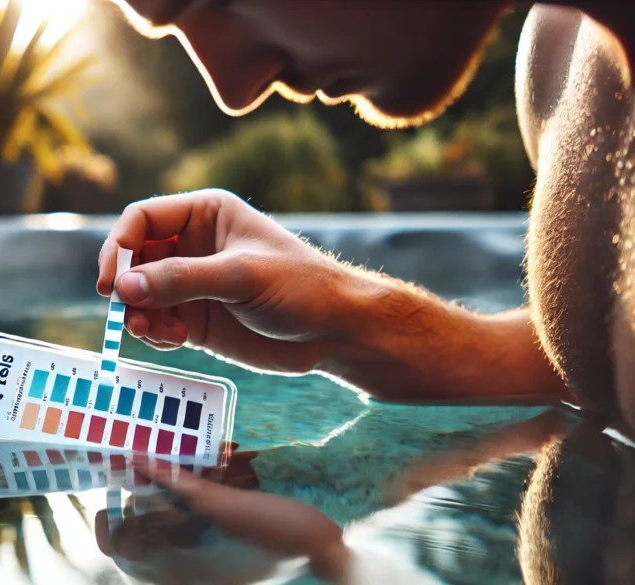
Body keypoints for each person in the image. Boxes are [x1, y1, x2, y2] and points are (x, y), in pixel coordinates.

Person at [94, 0, 635, 582]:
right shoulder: (564, 56)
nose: (231, 88)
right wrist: (355, 327)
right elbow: (601, 368)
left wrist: (333, 563)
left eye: (219, 2)